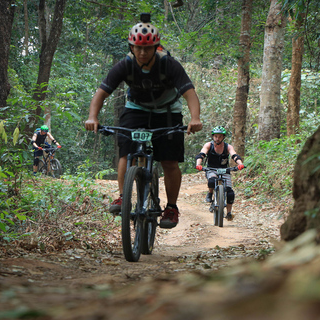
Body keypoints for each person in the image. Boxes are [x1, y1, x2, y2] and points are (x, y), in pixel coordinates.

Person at [84, 14, 203, 229]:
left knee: (169, 160)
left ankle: (172, 208)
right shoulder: (125, 65)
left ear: (156, 47)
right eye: (137, 48)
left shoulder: (169, 64)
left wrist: (195, 118)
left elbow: (189, 93)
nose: (142, 52)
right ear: (131, 47)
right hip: (136, 109)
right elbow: (101, 93)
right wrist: (93, 117)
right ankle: (123, 196)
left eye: (147, 48)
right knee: (126, 152)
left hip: (167, 111)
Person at [195, 126, 244, 221]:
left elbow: (234, 155)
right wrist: (198, 164)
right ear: (213, 136)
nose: (218, 138)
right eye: (216, 136)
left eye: (220, 136)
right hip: (211, 169)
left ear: (223, 137)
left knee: (230, 193)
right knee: (212, 181)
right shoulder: (209, 145)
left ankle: (229, 213)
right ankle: (210, 194)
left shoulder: (227, 147)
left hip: (225, 170)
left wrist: (240, 164)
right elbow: (201, 155)